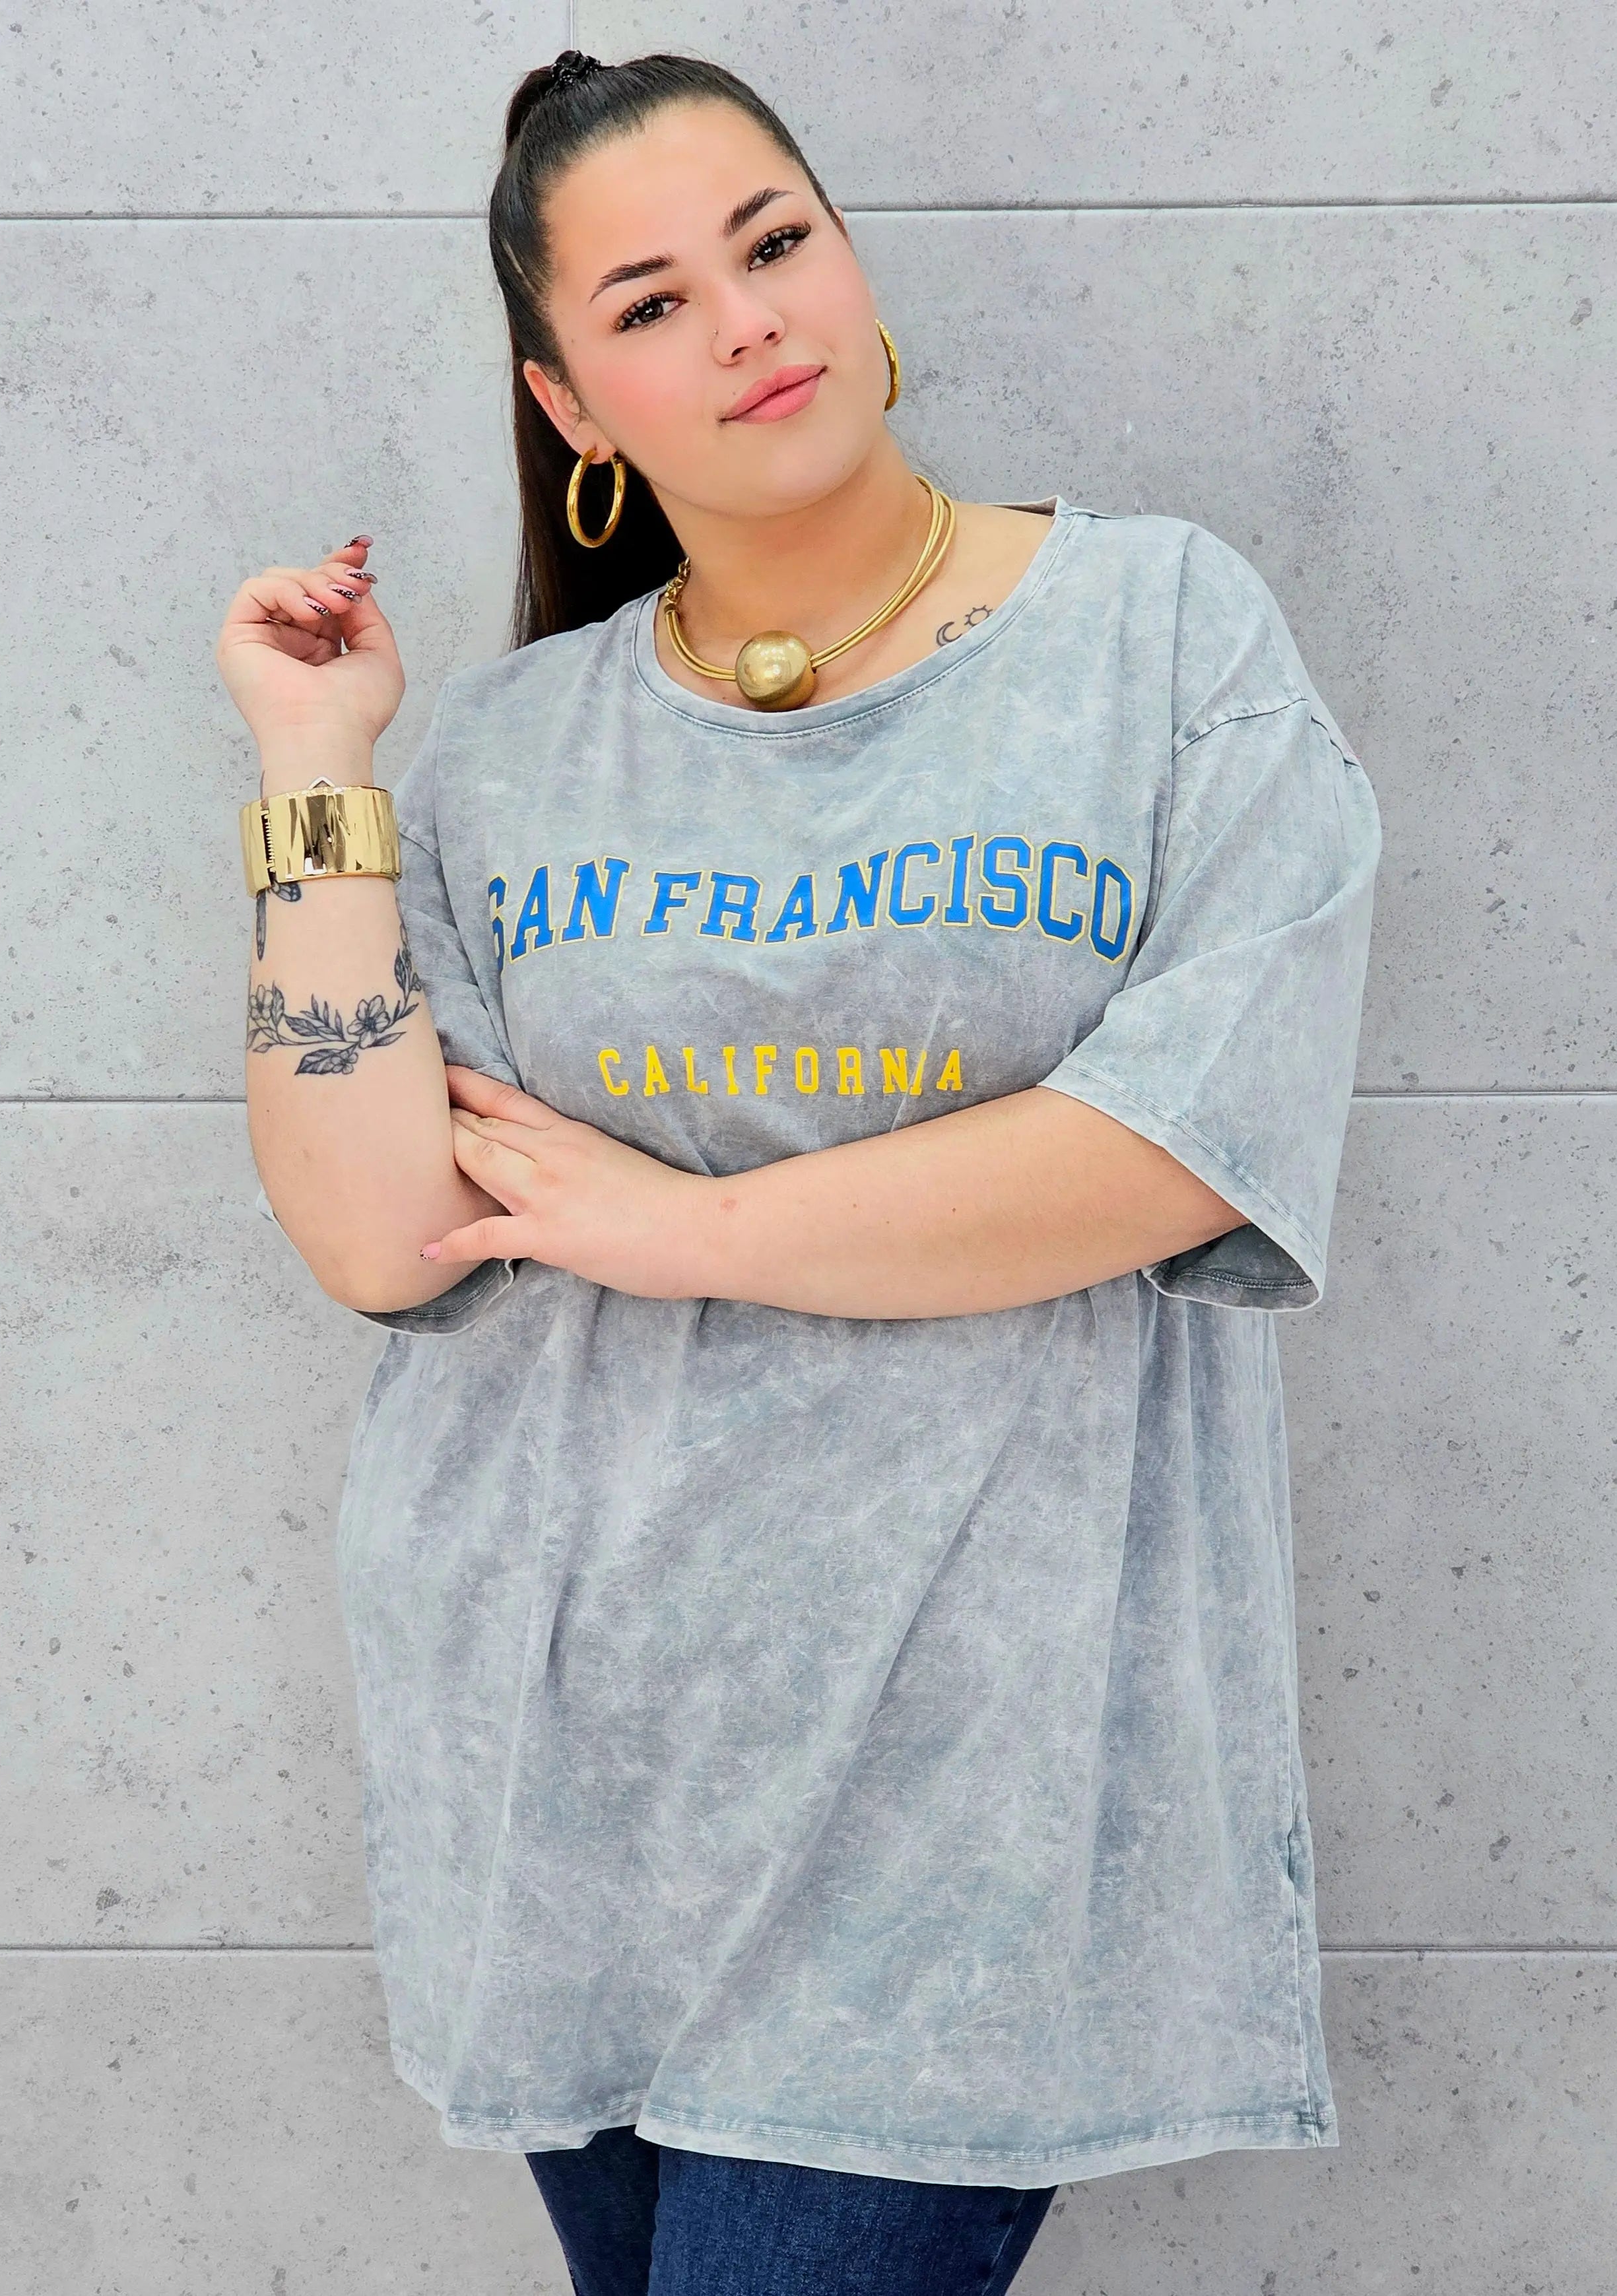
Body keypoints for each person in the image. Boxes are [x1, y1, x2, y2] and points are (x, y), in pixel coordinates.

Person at [214, 48, 1381, 2296]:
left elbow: (1179, 1139)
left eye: (774, 244)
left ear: (849, 266)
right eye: (650, 303)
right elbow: (381, 1231)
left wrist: (688, 1231)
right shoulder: (506, 748)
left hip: (971, 1779)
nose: (746, 321)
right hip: (568, 1761)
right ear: (571, 406)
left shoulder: (1156, 631)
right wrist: (314, 764)